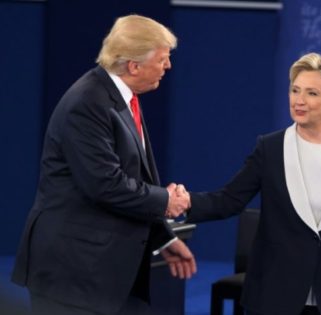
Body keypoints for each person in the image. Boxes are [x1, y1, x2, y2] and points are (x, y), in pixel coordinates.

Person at [171, 53, 321, 315]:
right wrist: (186, 203)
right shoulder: (270, 148)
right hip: (276, 294)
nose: (299, 100)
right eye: (295, 90)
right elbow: (229, 200)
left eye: (311, 93)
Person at [11, 14, 195, 315]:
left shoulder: (120, 98)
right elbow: (105, 185)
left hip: (107, 271)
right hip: (73, 274)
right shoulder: (87, 103)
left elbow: (133, 174)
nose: (168, 66)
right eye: (162, 59)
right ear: (134, 66)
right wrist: (167, 202)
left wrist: (161, 237)